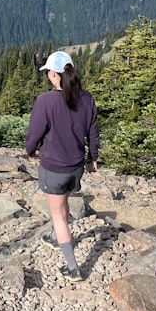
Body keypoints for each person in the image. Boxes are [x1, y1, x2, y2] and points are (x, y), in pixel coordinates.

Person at [25, 50, 100, 282]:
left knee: (57, 214)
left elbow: (34, 133)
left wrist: (30, 151)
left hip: (54, 168)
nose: (48, 75)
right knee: (64, 203)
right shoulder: (87, 99)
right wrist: (93, 158)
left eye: (48, 71)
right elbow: (93, 132)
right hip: (76, 167)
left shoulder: (46, 101)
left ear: (55, 75)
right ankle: (57, 235)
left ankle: (73, 267)